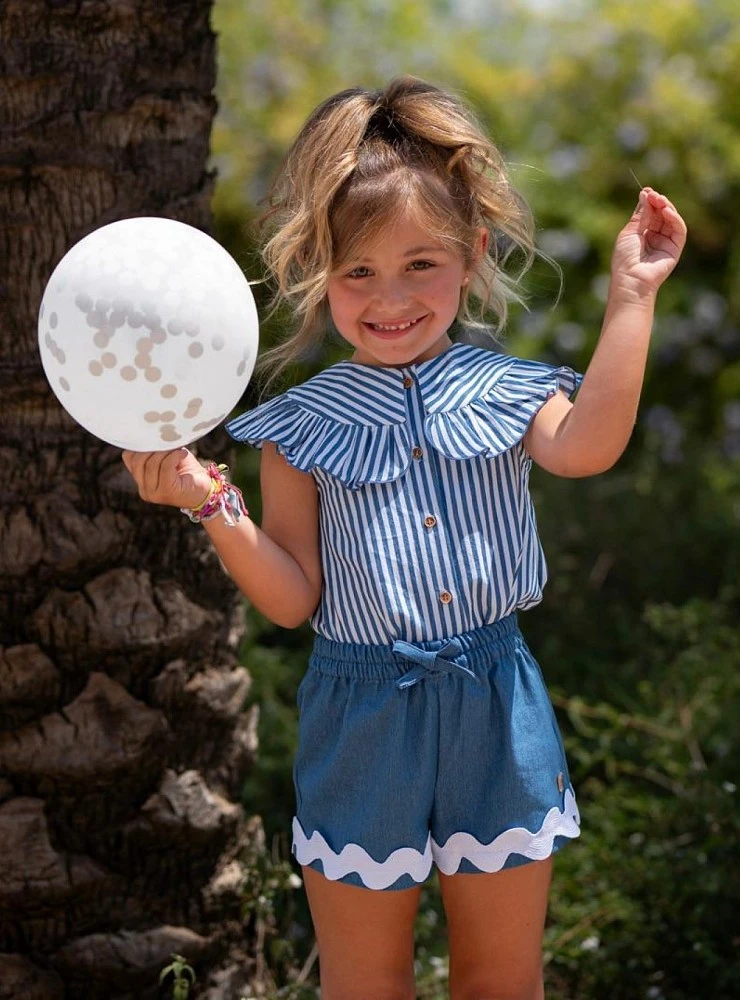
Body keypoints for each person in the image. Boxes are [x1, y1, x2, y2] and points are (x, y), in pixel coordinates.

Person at [122, 77, 687, 1000]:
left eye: (421, 264)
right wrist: (209, 502)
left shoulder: (508, 390)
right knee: (366, 984)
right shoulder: (299, 425)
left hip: (495, 705)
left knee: (501, 980)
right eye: (358, 272)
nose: (390, 298)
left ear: (473, 254)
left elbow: (588, 447)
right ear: (321, 271)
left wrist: (632, 295)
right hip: (360, 718)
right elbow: (293, 598)